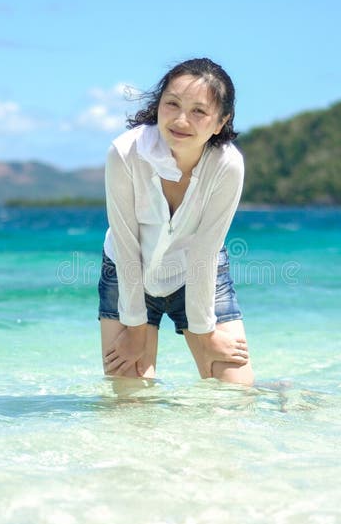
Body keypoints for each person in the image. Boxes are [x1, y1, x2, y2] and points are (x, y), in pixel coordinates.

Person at [98, 57, 253, 385]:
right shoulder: (125, 153)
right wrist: (136, 329)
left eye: (199, 111)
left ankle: (284, 394)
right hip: (128, 271)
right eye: (172, 104)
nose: (182, 119)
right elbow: (126, 244)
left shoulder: (228, 165)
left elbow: (204, 253)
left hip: (197, 272)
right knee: (131, 400)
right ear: (157, 106)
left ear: (220, 122)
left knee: (236, 394)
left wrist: (206, 332)